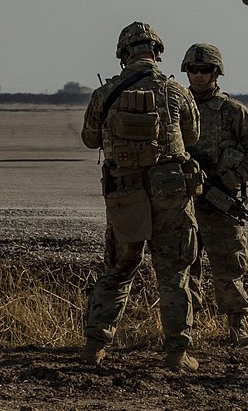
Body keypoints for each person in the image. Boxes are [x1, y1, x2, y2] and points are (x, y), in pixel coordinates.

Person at [79, 22, 202, 372]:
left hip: (124, 190)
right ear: (158, 53)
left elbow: (90, 139)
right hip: (170, 190)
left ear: (122, 54)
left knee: (119, 268)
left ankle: (94, 346)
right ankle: (178, 353)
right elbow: (192, 136)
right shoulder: (176, 91)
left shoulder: (107, 92)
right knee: (173, 271)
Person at [181, 42, 248, 347]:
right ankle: (184, 329)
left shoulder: (233, 111)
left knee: (230, 264)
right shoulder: (175, 106)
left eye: (205, 70)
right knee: (183, 266)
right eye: (193, 69)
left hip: (219, 203)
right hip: (182, 202)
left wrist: (233, 177)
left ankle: (237, 326)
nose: (199, 76)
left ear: (216, 73)